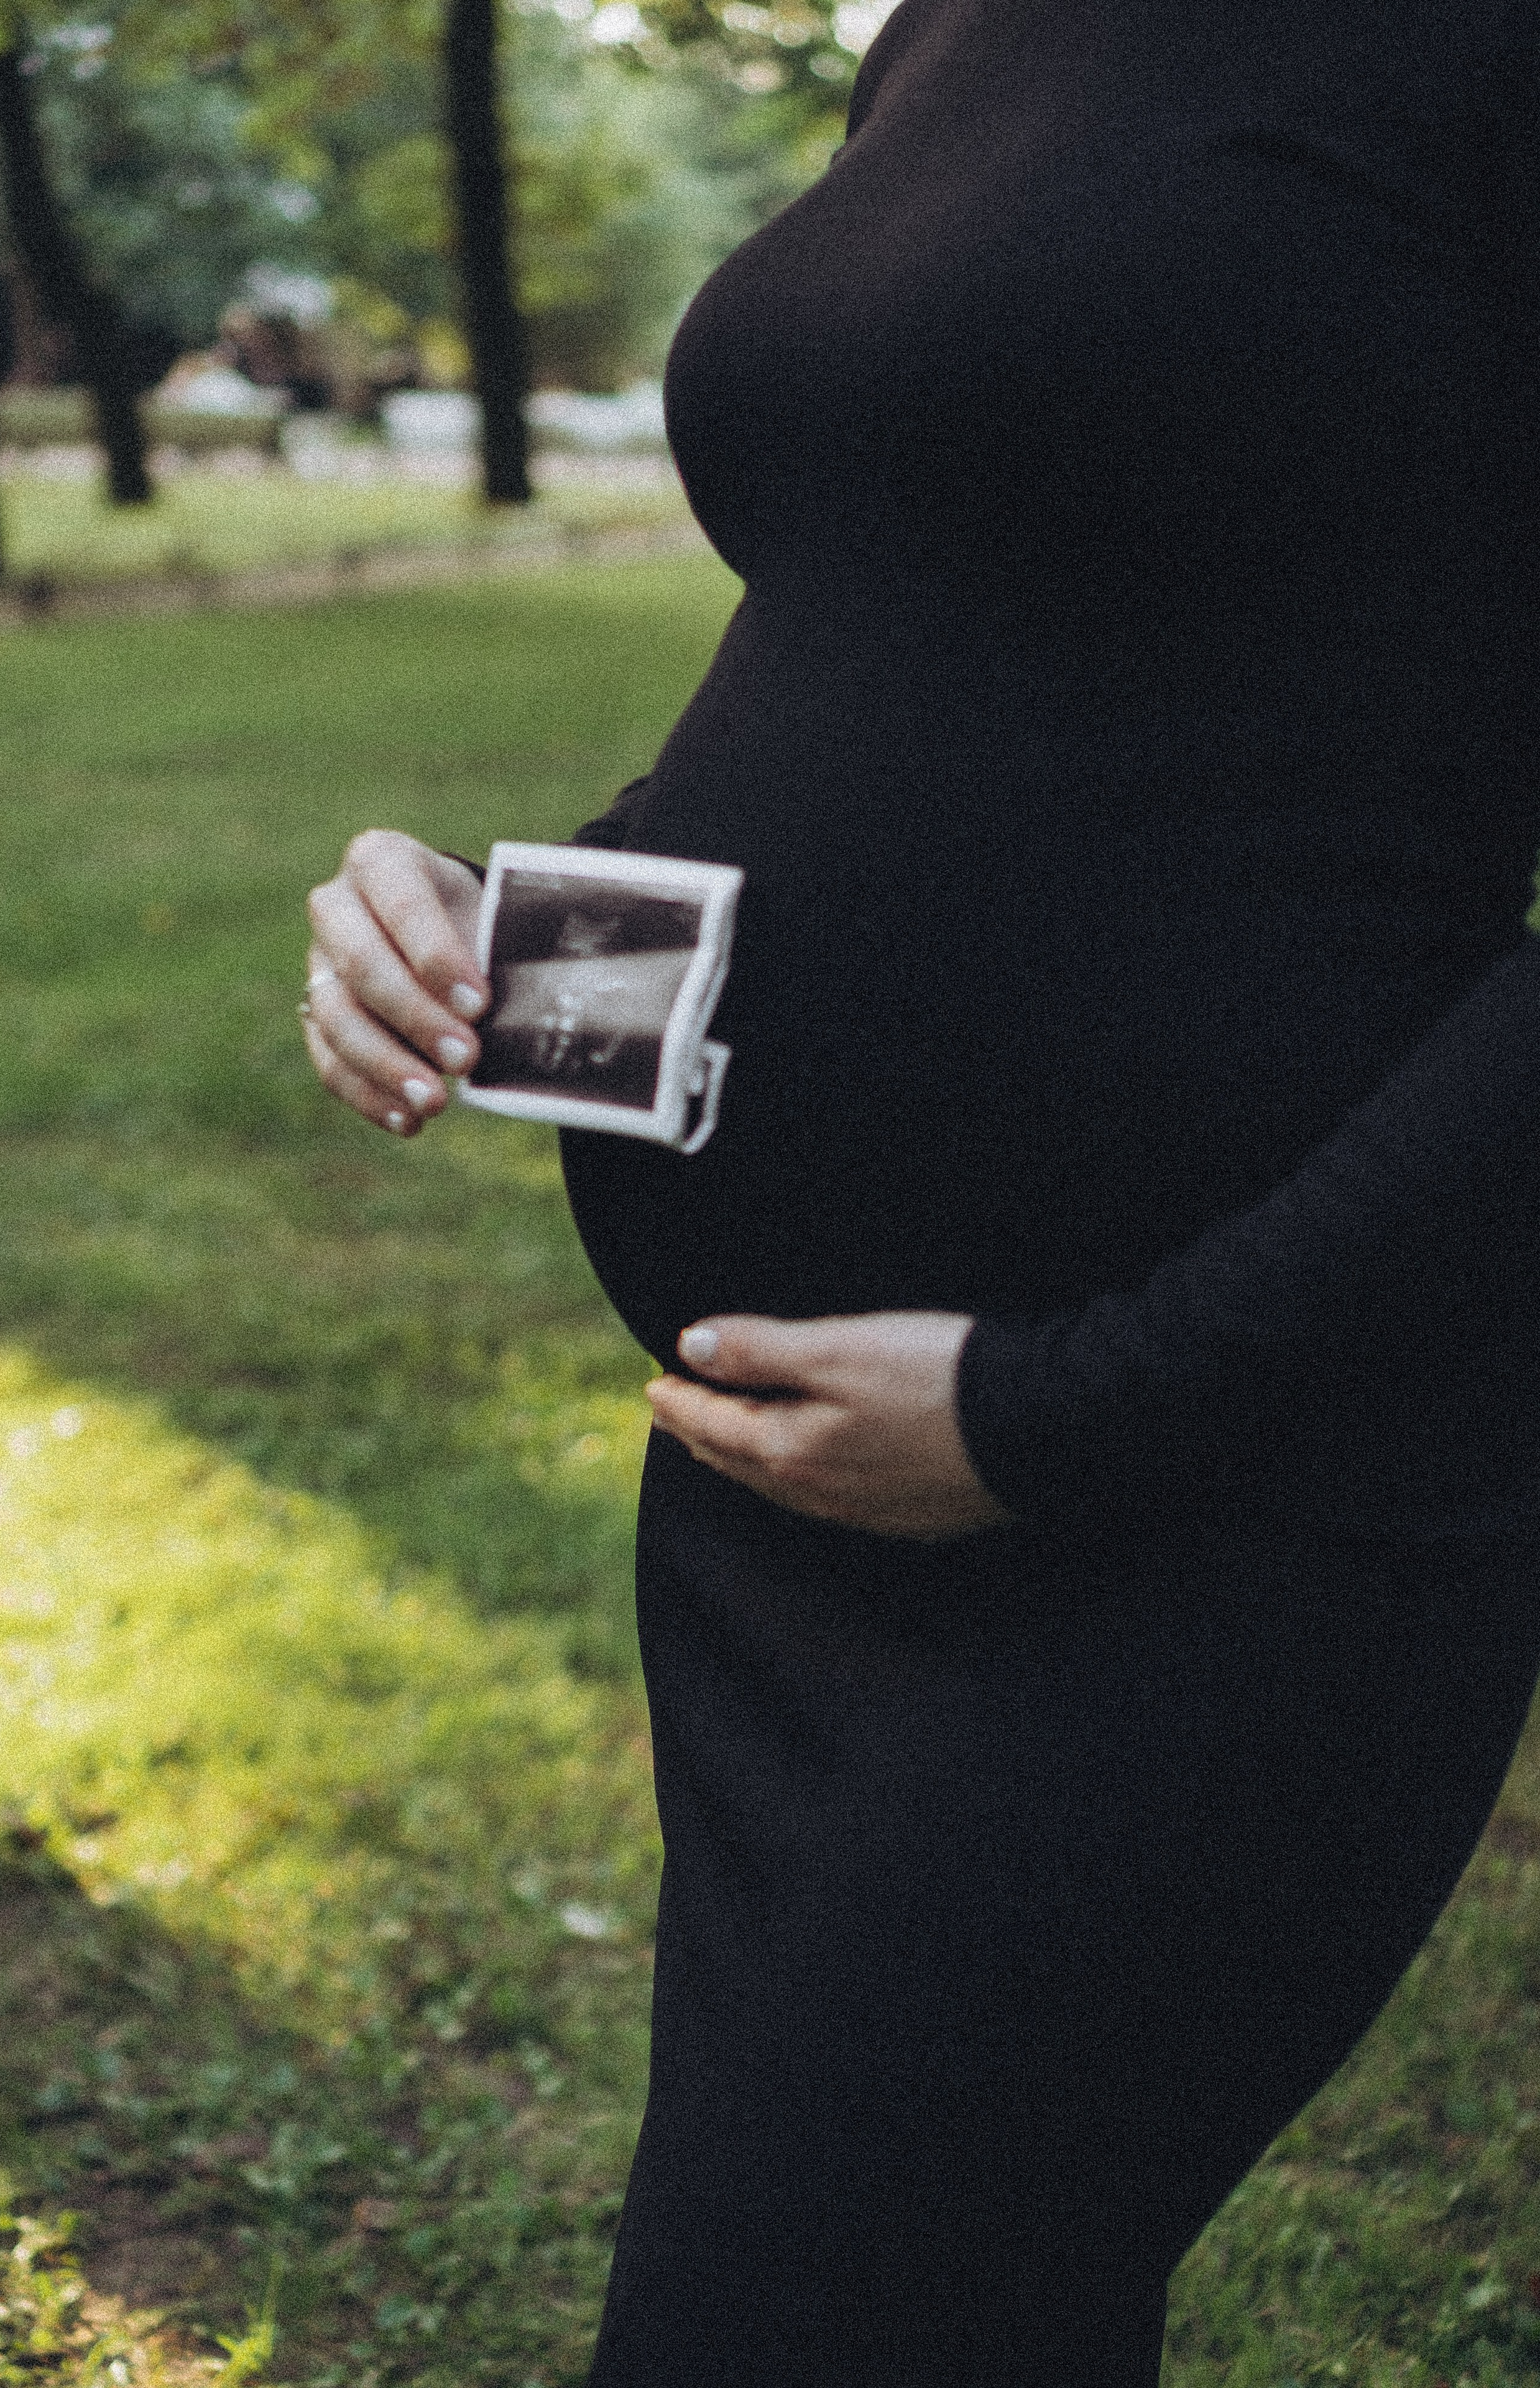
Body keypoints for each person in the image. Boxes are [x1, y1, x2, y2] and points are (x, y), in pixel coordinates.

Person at [300, 0, 1540, 2373]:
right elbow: (932, 653)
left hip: (1225, 1498)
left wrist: (1061, 1414)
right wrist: (484, 940)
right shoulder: (960, 26)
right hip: (788, 1527)